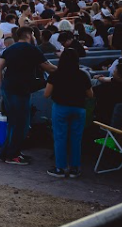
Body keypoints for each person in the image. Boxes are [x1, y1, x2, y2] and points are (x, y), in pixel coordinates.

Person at [0, 26, 57, 165]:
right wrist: (67, 70)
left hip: (8, 88)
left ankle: (9, 152)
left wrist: (2, 84)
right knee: (21, 124)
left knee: (13, 122)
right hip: (21, 89)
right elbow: (48, 67)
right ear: (29, 35)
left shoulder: (10, 48)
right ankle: (12, 155)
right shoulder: (32, 49)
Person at [44, 48, 93, 178]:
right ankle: (74, 168)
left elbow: (46, 94)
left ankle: (60, 168)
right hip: (78, 108)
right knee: (76, 139)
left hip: (61, 108)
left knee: (60, 138)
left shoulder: (56, 74)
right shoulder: (83, 75)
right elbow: (90, 94)